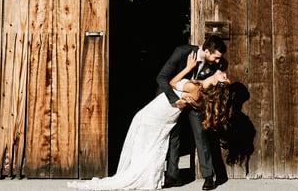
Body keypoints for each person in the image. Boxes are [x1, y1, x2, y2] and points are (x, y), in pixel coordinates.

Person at [68, 51, 230, 190]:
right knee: (152, 145)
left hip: (157, 113)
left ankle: (137, 175)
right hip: (165, 115)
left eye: (224, 76)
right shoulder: (201, 90)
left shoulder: (195, 88)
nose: (224, 73)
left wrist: (188, 68)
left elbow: (172, 83)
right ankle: (149, 177)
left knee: (146, 144)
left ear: (217, 82)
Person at [156, 37, 228, 190]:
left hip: (195, 102)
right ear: (207, 51)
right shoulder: (182, 52)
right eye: (215, 57)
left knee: (201, 135)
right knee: (173, 136)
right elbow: (162, 78)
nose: (217, 62)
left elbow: (215, 81)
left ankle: (208, 177)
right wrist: (175, 101)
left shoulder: (215, 65)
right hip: (173, 99)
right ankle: (172, 176)